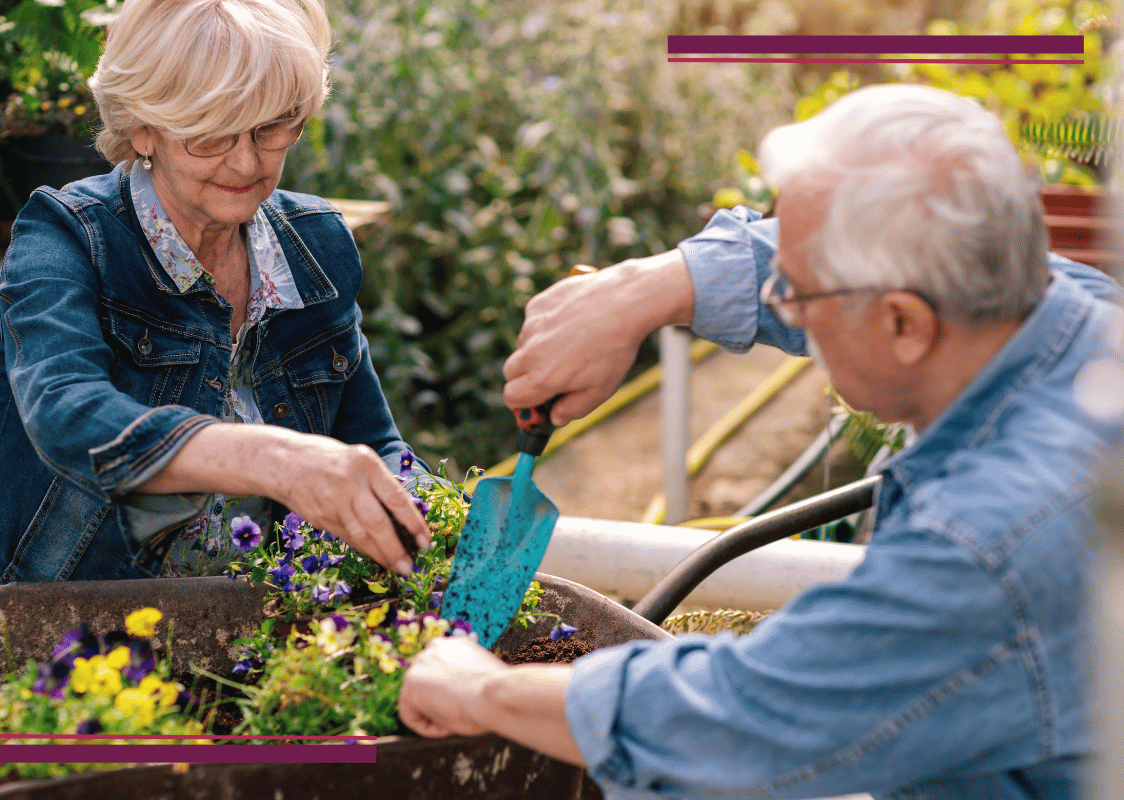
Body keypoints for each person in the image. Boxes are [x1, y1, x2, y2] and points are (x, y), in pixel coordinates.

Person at [399, 84, 1124, 799]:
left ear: (904, 324)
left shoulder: (986, 546)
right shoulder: (1074, 311)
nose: (781, 306)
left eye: (794, 296)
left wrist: (483, 690)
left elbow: (740, 722)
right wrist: (653, 285)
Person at [0, 0, 431, 593]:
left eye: (271, 126)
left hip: (231, 634)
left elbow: (371, 440)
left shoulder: (315, 245)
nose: (247, 161)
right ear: (144, 127)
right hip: (29, 625)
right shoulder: (67, 235)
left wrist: (441, 521)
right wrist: (276, 458)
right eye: (211, 133)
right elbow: (68, 415)